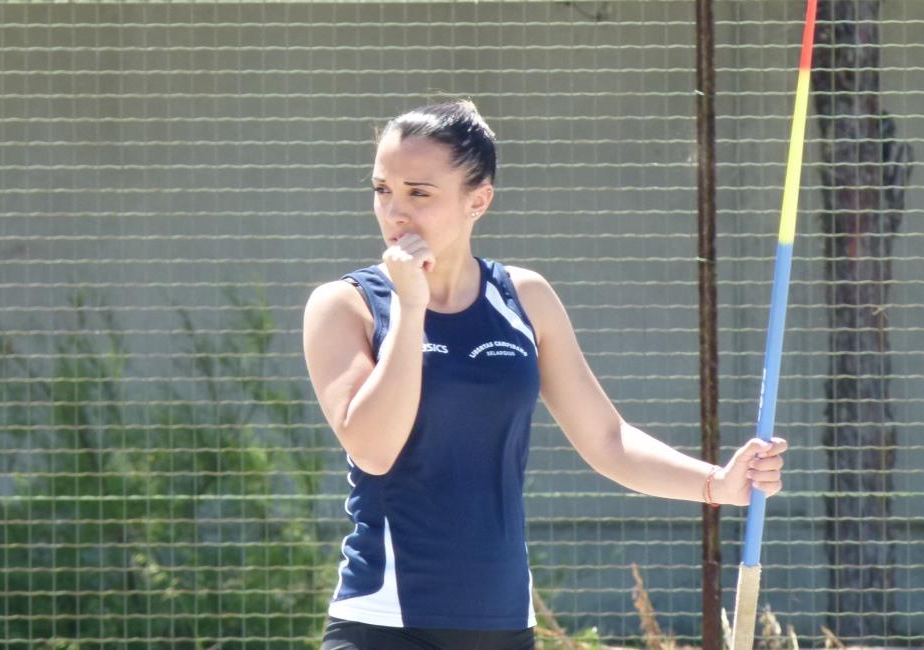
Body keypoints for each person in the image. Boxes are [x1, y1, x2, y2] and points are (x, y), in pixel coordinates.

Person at [302, 100, 787, 650]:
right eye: (382, 189)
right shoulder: (347, 305)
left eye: (418, 193)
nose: (394, 212)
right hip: (383, 625)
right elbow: (373, 450)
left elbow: (608, 439)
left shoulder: (524, 297)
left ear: (477, 200)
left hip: (505, 625)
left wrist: (718, 484)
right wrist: (411, 306)